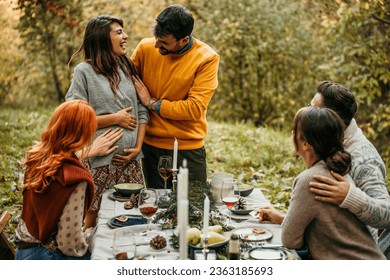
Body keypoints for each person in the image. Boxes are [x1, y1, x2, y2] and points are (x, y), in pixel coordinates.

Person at [257, 107, 385, 259]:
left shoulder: (310, 179)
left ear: (306, 144)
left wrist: (289, 226)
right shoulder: (336, 170)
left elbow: (290, 240)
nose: (292, 134)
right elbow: (329, 227)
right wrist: (282, 219)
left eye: (294, 130)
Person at [66, 15, 148, 227]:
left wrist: (137, 147)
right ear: (103, 37)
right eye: (118, 32)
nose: (125, 36)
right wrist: (115, 119)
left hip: (130, 163)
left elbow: (141, 111)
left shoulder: (127, 67)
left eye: (123, 31)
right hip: (99, 162)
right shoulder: (84, 72)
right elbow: (75, 118)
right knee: (93, 218)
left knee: (134, 215)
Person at [131, 4, 220, 189]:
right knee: (156, 210)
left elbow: (194, 109)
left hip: (188, 148)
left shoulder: (207, 58)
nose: (156, 45)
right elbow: (124, 85)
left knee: (193, 210)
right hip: (151, 147)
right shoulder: (144, 48)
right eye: (156, 38)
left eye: (163, 42)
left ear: (183, 39)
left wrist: (152, 103)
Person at [306, 81, 390, 258]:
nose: (307, 113)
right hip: (325, 245)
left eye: (314, 109)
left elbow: (387, 213)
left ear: (332, 119)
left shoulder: (364, 158)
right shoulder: (329, 142)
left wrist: (350, 197)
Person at [15, 100, 97, 260]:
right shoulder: (74, 178)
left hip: (23, 250)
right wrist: (89, 239)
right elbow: (68, 243)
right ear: (84, 134)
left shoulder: (37, 158)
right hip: (46, 255)